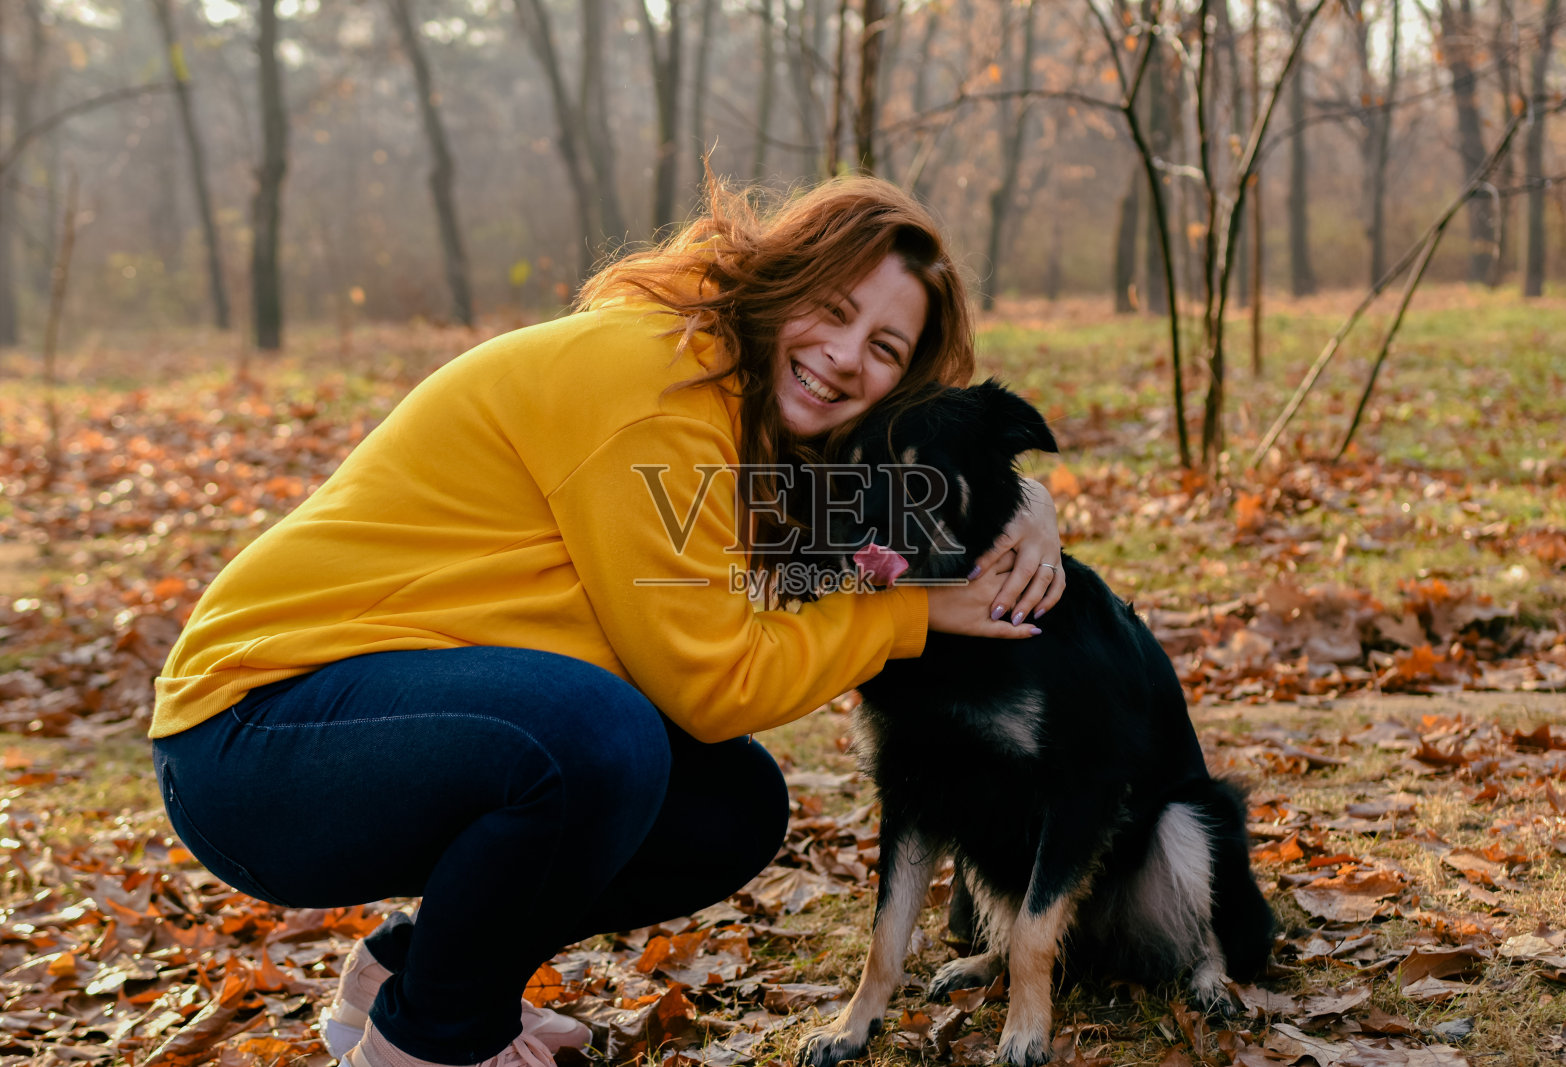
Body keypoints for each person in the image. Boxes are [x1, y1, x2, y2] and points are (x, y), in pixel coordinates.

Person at [148, 176, 1066, 1067]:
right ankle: (431, 1043)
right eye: (832, 307)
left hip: (360, 720)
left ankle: (418, 980)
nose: (844, 353)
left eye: (886, 348)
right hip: (254, 734)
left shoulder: (737, 415)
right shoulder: (656, 382)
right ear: (785, 277)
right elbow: (717, 686)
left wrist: (1022, 496)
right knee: (602, 738)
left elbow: (834, 527)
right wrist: (906, 617)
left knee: (728, 806)